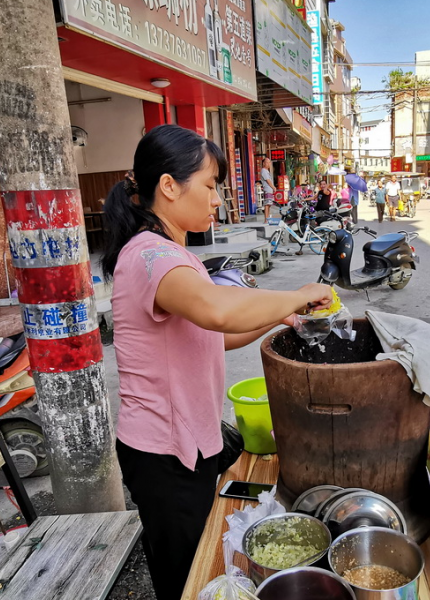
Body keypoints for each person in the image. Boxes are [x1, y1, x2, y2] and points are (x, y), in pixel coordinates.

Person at [102, 125, 332, 600]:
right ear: (169, 186)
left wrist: (282, 317)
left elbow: (215, 335)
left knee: (198, 562)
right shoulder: (152, 256)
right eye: (209, 186)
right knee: (184, 577)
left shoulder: (168, 253)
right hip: (164, 451)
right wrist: (298, 292)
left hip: (184, 441)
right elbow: (218, 310)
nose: (217, 200)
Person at [259, 157, 276, 223]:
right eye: (267, 162)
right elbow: (268, 181)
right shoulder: (263, 170)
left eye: (269, 162)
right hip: (267, 189)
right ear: (263, 163)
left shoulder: (266, 171)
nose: (268, 164)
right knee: (267, 204)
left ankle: (268, 218)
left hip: (269, 190)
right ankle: (266, 220)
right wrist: (273, 187)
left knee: (269, 204)